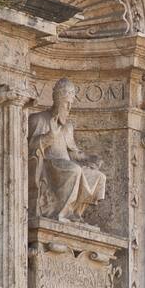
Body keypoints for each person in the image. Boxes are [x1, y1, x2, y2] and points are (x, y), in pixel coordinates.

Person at [28, 79, 107, 223]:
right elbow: (29, 148)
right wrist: (48, 137)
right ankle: (61, 212)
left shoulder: (67, 127)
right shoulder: (39, 119)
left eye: (71, 103)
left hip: (66, 164)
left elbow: (73, 152)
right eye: (66, 103)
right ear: (57, 100)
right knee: (75, 170)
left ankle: (75, 212)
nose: (69, 107)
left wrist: (90, 159)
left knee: (99, 176)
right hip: (49, 165)